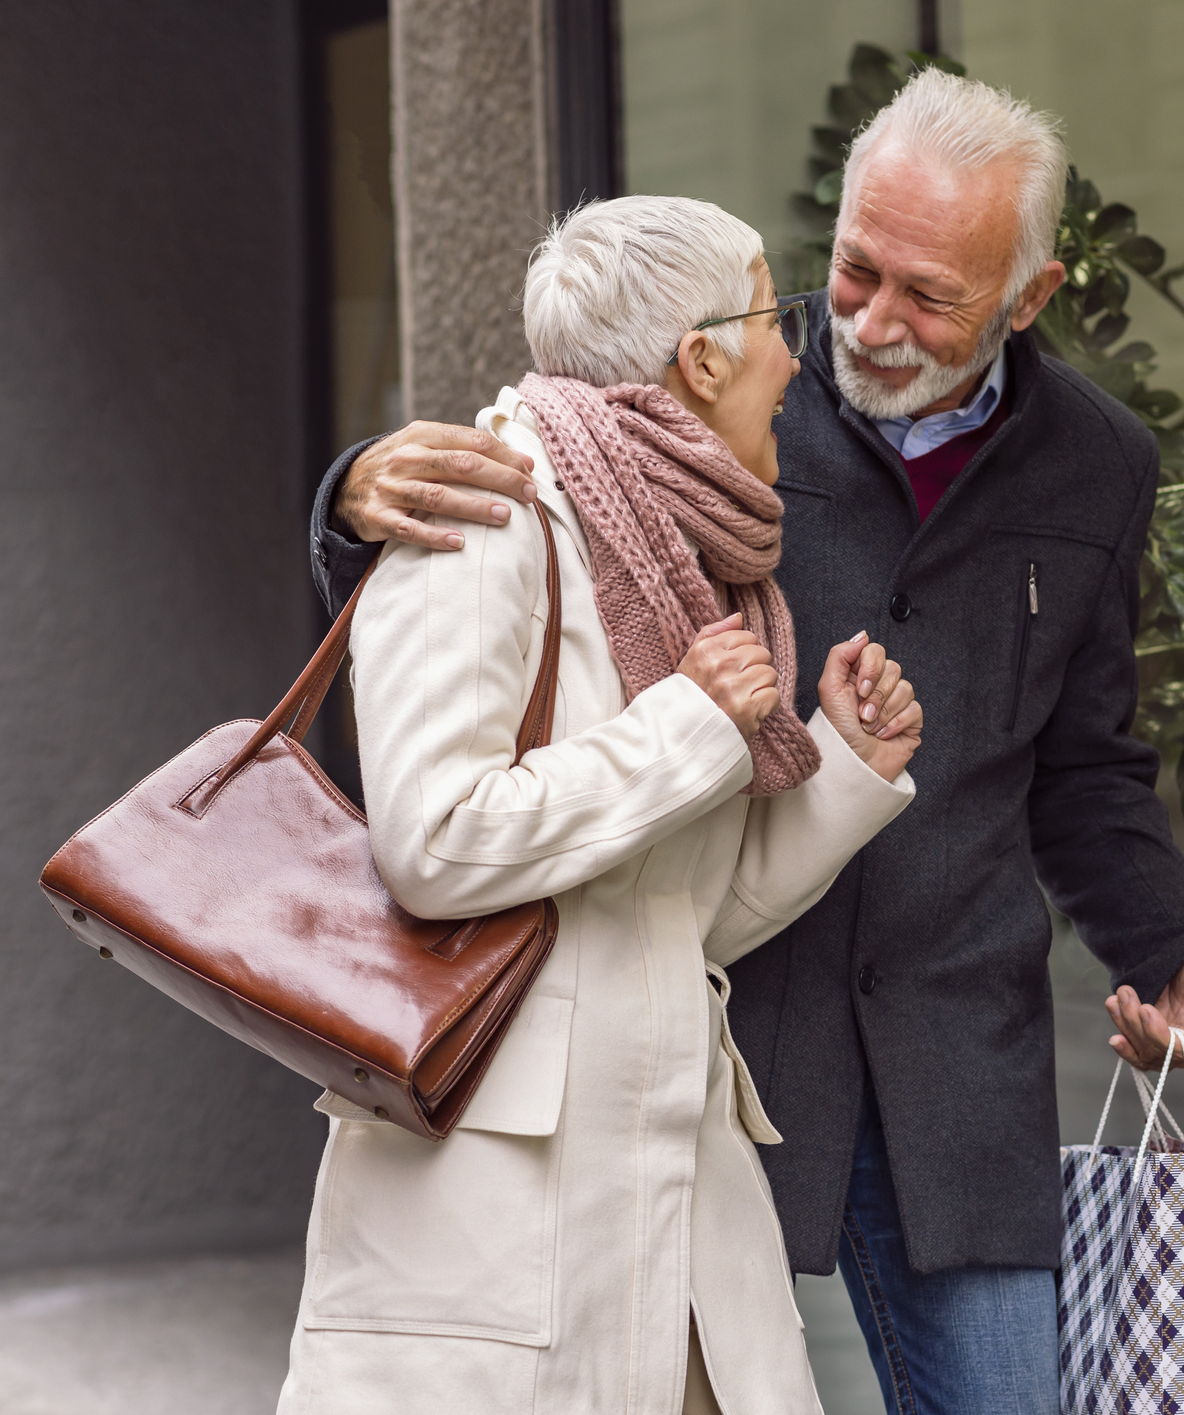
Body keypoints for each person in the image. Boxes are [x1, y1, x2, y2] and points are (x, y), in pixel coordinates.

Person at [304, 70, 1184, 1415]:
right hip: (718, 1044)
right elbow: (503, 518)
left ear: (1027, 296)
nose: (865, 324)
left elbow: (1087, 762)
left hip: (955, 1056)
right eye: (852, 270)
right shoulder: (708, 396)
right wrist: (351, 499)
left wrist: (1168, 945)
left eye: (926, 295)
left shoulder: (1097, 464)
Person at [276, 196, 921, 1414]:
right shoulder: (487, 519)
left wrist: (842, 767)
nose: (799, 352)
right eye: (776, 312)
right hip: (503, 1236)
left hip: (678, 1226)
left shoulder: (691, 564)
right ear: (703, 357)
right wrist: (689, 722)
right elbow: (434, 842)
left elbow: (689, 918)